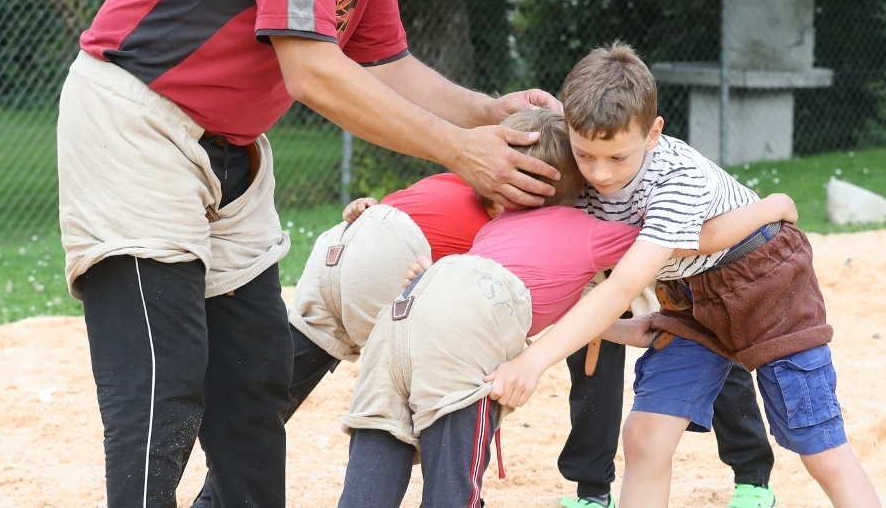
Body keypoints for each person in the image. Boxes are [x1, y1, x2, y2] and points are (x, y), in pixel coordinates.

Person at [56, 0, 563, 508]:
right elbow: (313, 74)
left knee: (253, 373)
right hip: (138, 125)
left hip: (231, 149)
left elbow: (385, 63)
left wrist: (484, 114)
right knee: (163, 379)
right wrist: (459, 151)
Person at [486, 42, 882, 508]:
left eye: (617, 158)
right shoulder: (579, 175)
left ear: (653, 132)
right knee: (645, 435)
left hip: (766, 283)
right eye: (586, 154)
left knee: (817, 443)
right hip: (687, 297)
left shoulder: (677, 176)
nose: (600, 173)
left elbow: (628, 283)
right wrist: (618, 329)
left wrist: (534, 361)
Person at [336, 108, 791, 508]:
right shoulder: (574, 222)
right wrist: (773, 204)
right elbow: (692, 239)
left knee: (379, 447)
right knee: (454, 476)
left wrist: (628, 332)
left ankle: (749, 474)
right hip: (476, 324)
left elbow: (548, 294)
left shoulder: (505, 222)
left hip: (405, 320)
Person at [193, 172, 501, 507]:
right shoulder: (496, 209)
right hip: (385, 273)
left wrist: (364, 213)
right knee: (447, 392)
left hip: (338, 253)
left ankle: (212, 501)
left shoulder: (455, 179)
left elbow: (394, 210)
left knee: (263, 398)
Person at [559, 353, 776, 508]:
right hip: (600, 289)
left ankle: (753, 478)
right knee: (593, 344)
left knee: (712, 342)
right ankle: (593, 492)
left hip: (682, 291)